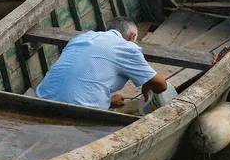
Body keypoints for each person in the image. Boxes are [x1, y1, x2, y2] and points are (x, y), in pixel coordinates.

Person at [36, 17, 167, 109]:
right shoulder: (127, 47)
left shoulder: (81, 37)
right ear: (132, 37)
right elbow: (161, 85)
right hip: (81, 112)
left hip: (41, 100)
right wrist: (147, 83)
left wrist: (108, 103)